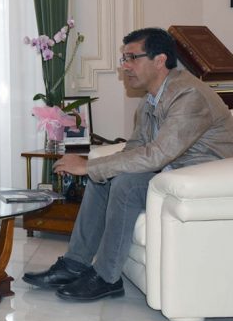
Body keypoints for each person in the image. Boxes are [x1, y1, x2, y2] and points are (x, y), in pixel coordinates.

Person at [23, 27, 233, 301]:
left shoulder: (189, 94)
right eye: (124, 58)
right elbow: (135, 149)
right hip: (172, 175)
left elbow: (157, 153)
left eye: (132, 58)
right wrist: (97, 168)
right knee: (105, 177)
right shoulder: (150, 100)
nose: (125, 66)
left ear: (159, 60)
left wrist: (87, 166)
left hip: (203, 183)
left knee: (125, 185)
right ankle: (75, 264)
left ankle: (107, 278)